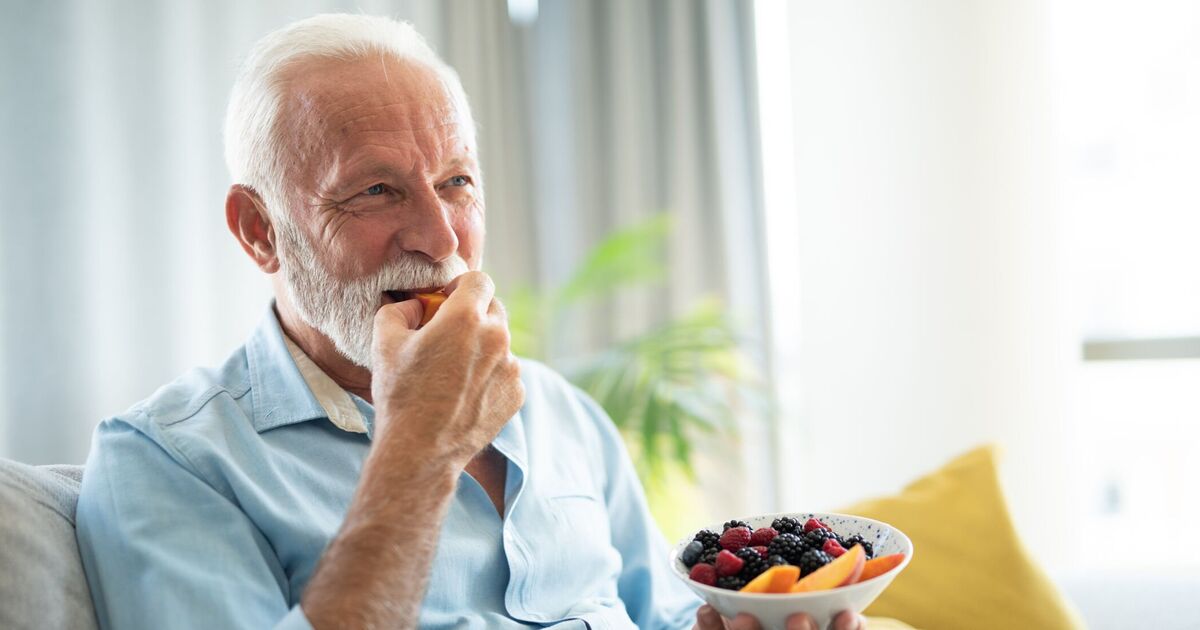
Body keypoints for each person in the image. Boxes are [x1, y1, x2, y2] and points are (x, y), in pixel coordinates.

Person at [74, 14, 866, 630]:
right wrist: (419, 447)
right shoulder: (165, 463)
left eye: (455, 180)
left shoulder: (565, 416)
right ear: (259, 230)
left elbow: (655, 613)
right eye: (376, 192)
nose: (442, 239)